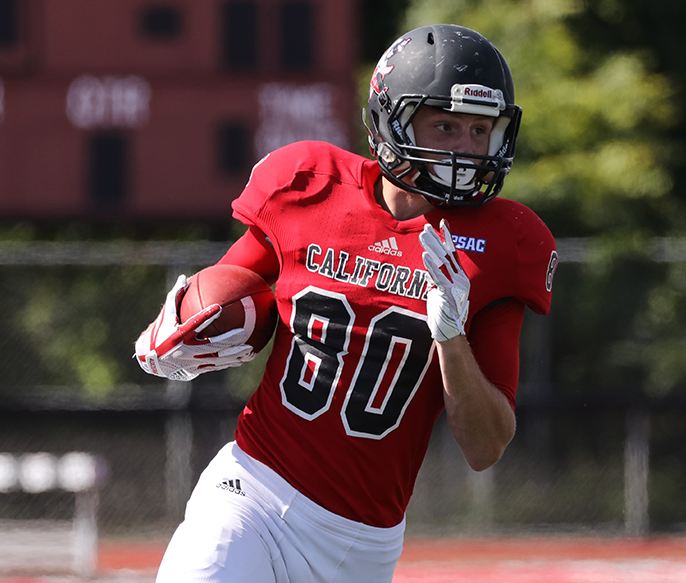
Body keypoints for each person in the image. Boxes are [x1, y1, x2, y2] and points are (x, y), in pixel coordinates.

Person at [135, 23, 557, 583]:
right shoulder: (308, 185)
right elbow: (225, 289)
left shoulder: (505, 244)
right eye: (447, 125)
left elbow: (485, 446)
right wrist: (177, 330)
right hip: (252, 494)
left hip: (364, 547)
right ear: (392, 119)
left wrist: (452, 337)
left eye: (481, 130)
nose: (465, 148)